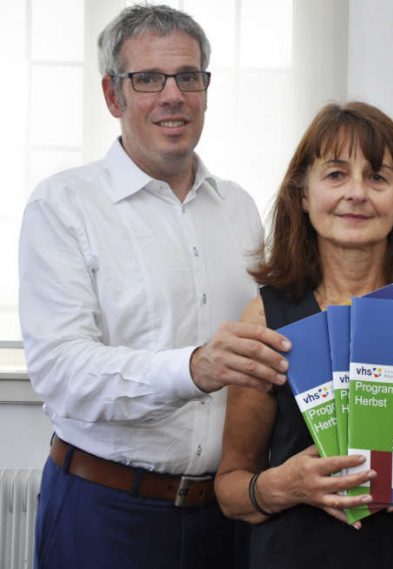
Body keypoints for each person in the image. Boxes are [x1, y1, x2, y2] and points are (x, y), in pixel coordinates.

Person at [18, 4, 290, 568]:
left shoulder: (240, 208)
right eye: (148, 79)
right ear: (113, 96)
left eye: (188, 77)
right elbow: (61, 372)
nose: (173, 96)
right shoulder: (63, 205)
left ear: (206, 91)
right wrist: (193, 368)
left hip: (226, 514)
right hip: (106, 511)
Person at [214, 101, 393, 569]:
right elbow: (232, 489)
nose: (356, 193)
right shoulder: (265, 317)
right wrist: (285, 485)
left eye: (377, 177)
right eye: (336, 174)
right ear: (302, 193)